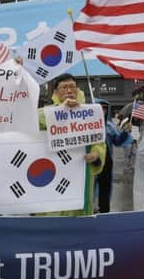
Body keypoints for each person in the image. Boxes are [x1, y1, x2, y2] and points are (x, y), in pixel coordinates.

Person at [38, 74, 106, 216]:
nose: (69, 91)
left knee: (78, 217)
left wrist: (96, 155)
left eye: (72, 87)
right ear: (55, 93)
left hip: (80, 175)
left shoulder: (89, 113)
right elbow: (30, 122)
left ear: (78, 90)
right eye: (64, 87)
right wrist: (61, 110)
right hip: (51, 174)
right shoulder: (46, 112)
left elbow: (99, 143)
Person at [94, 98, 131, 213]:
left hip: (106, 159)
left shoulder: (110, 126)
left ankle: (104, 210)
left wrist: (125, 132)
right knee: (88, 187)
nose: (102, 111)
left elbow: (118, 141)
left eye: (105, 109)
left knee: (105, 187)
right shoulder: (84, 125)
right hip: (89, 160)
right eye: (100, 108)